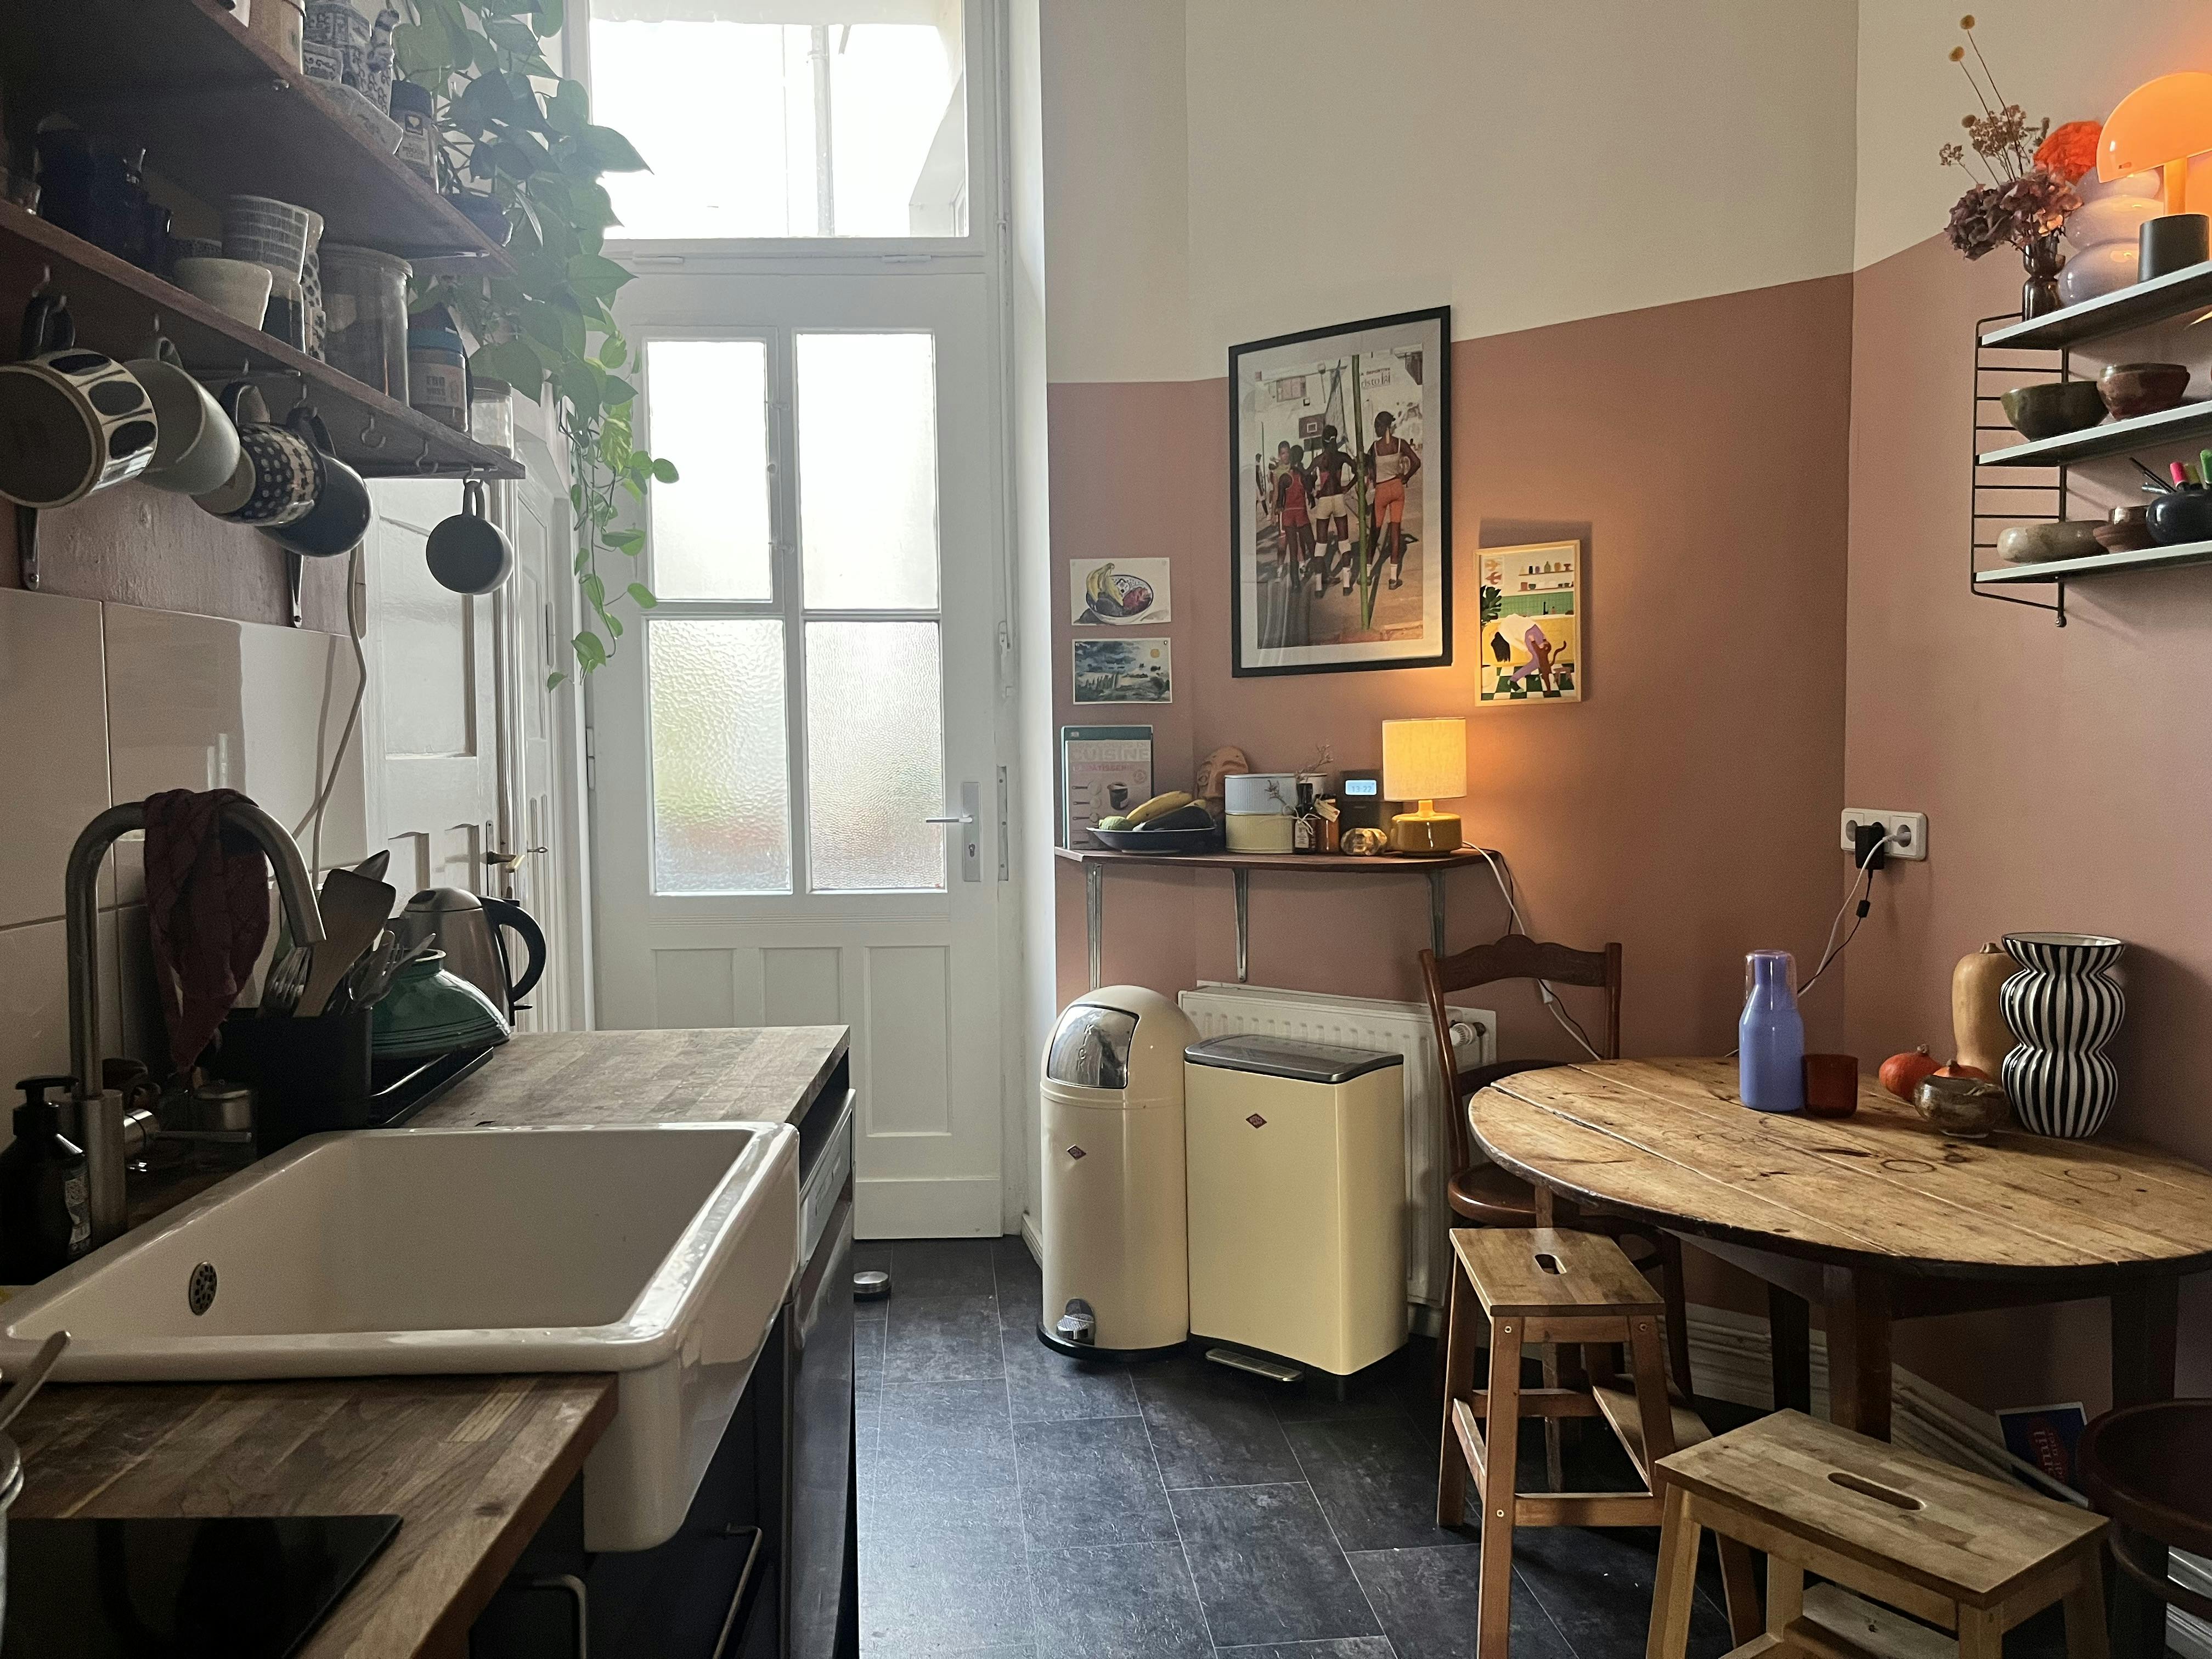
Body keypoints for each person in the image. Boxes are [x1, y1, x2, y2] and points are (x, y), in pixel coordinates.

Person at [1364, 409, 1422, 589]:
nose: (1375, 429)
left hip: (1381, 490)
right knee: (1395, 533)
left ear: (1384, 427)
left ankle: (1367, 575)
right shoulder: (1400, 444)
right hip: (1397, 488)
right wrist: (1406, 477)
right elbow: (1416, 462)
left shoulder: (1375, 447)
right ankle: (1393, 579)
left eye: (1377, 426)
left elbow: (1368, 467)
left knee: (1375, 532)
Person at [1306, 424, 1357, 594]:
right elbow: (1359, 470)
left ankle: (1319, 588)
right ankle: (1347, 586)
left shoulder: (1320, 459)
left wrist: (1313, 493)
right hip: (1338, 498)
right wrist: (1348, 486)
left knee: (1321, 545)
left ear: (1324, 441)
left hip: (1324, 501)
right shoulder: (1342, 456)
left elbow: (1306, 477)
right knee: (1344, 542)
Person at [1271, 439, 1313, 582]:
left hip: (1296, 510)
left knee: (1298, 540)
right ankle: (1280, 568)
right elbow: (1276, 493)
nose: (1286, 456)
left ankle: (1302, 566)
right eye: (1283, 453)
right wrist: (1273, 513)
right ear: (1279, 455)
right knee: (1283, 543)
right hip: (1284, 511)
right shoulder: (1277, 472)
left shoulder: (1295, 468)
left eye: (1287, 453)